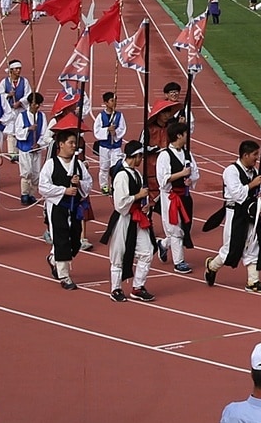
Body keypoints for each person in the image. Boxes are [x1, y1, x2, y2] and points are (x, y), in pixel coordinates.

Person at [206, 140, 261, 293]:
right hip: (235, 213)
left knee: (254, 244)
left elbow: (260, 195)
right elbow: (237, 194)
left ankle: (253, 281)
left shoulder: (255, 172)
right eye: (255, 155)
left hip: (252, 214)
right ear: (245, 155)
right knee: (231, 248)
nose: (257, 158)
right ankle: (212, 266)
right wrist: (252, 184)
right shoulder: (231, 171)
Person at [100, 140, 157, 301]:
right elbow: (120, 203)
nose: (142, 160)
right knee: (118, 254)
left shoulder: (136, 174)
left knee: (146, 251)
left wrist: (144, 206)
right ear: (136, 156)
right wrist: (138, 196)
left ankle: (138, 286)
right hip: (123, 218)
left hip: (137, 217)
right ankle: (116, 288)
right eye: (141, 156)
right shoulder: (122, 176)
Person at [38, 126, 92, 290]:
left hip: (74, 208)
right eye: (70, 143)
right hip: (57, 207)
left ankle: (54, 259)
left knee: (75, 242)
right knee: (61, 240)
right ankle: (64, 276)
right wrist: (64, 190)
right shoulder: (50, 164)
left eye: (75, 143)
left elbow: (89, 185)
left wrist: (79, 184)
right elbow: (43, 187)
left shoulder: (79, 165)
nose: (73, 146)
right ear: (60, 144)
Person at [156, 121, 199, 273]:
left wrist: (190, 179)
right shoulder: (164, 155)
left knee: (185, 227)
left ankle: (163, 244)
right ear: (179, 135)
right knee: (175, 229)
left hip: (185, 196)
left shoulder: (187, 154)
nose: (187, 137)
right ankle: (179, 261)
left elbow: (195, 172)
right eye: (185, 134)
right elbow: (162, 179)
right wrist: (181, 174)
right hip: (171, 197)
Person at [11, 92, 50, 206]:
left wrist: (39, 144)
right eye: (34, 103)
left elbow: (44, 133)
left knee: (36, 173)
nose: (37, 106)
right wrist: (28, 129)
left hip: (36, 149)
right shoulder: (22, 116)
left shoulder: (42, 116)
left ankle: (31, 194)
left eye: (39, 104)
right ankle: (24, 194)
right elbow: (17, 132)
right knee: (26, 172)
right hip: (25, 148)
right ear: (30, 103)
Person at [92, 92, 127, 194]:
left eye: (116, 100)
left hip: (116, 147)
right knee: (104, 167)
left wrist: (115, 132)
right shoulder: (100, 116)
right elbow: (97, 130)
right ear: (106, 103)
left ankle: (115, 185)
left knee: (116, 167)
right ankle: (104, 186)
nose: (115, 102)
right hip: (105, 147)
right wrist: (107, 130)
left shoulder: (119, 115)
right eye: (112, 100)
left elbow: (123, 128)